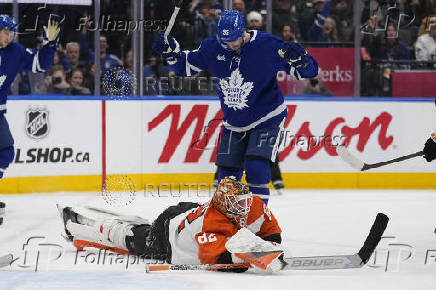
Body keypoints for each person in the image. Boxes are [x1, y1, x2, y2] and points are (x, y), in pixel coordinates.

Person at [152, 10, 318, 205]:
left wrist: (302, 58)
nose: (230, 45)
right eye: (225, 41)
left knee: (257, 169)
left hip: (268, 118)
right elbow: (184, 67)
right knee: (226, 179)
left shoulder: (267, 45)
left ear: (244, 30)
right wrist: (171, 54)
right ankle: (227, 224)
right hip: (233, 123)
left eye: (234, 39)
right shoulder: (212, 47)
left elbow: (309, 72)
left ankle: (258, 222)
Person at [58, 177, 286, 273]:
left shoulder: (253, 204)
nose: (244, 208)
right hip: (167, 237)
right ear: (223, 205)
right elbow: (214, 257)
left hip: (186, 211)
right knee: (129, 237)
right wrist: (245, 257)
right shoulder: (212, 222)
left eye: (245, 201)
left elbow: (271, 231)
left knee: (137, 229)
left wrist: (272, 247)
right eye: (237, 204)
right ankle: (77, 227)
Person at [0, 15, 59, 180]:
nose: (9, 36)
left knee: (5, 153)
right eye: (6, 32)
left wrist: (50, 45)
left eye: (12, 33)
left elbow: (40, 64)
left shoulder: (15, 51)